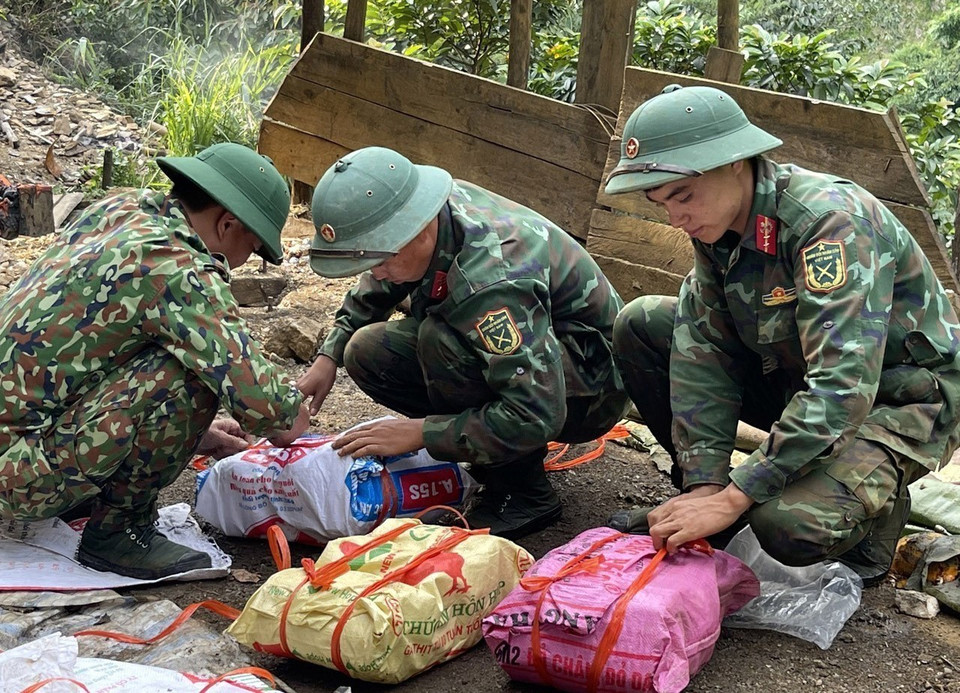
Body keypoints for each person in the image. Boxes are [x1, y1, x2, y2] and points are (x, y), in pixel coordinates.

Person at [604, 84, 960, 585]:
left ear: (735, 162)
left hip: (903, 401)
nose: (675, 217)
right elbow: (703, 350)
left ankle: (877, 516)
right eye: (660, 202)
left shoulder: (829, 224)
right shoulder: (717, 225)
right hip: (801, 377)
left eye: (683, 195)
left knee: (786, 526)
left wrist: (739, 496)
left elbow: (842, 388)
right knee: (645, 324)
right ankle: (706, 502)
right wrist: (707, 485)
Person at [0, 142, 309, 580]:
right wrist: (300, 411)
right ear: (227, 223)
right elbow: (270, 410)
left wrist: (193, 437)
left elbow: (91, 350)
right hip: (15, 477)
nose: (243, 262)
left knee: (174, 348)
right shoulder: (180, 270)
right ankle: (121, 531)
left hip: (15, 439)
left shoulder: (119, 209)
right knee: (192, 371)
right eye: (254, 247)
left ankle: (86, 489)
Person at [298, 146, 629, 539]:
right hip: (542, 361)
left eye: (381, 261)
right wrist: (329, 354)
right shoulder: (423, 211)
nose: (377, 274)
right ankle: (491, 455)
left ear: (417, 232)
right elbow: (378, 278)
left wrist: (423, 433)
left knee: (441, 342)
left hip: (591, 389)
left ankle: (523, 493)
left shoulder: (490, 281)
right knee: (367, 351)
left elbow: (535, 413)